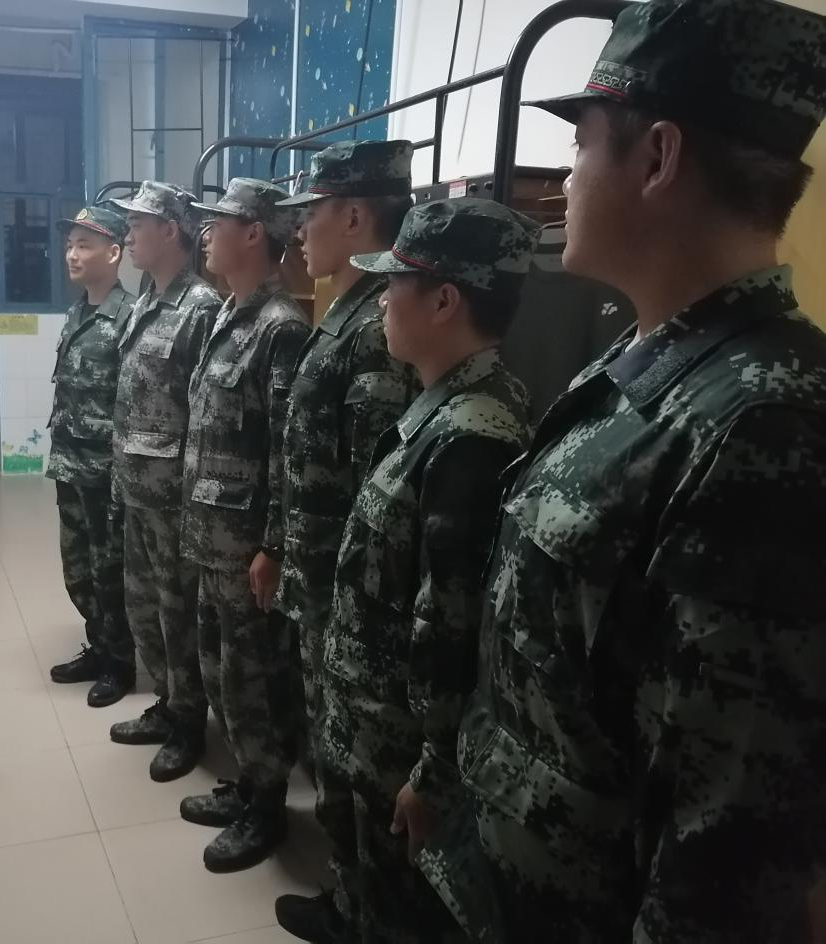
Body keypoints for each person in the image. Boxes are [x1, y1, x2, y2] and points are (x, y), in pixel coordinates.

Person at [421, 2, 826, 942]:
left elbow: (728, 851)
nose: (564, 180)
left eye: (579, 146)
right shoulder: (643, 360)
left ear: (656, 158)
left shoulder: (764, 425)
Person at [302, 198, 540, 943]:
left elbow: (455, 628)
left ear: (443, 302)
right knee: (364, 878)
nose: (379, 301)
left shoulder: (473, 436)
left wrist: (433, 775)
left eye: (394, 285)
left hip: (400, 742)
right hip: (370, 714)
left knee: (398, 906)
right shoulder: (441, 408)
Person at [271, 139, 421, 933]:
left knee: (362, 765)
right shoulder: (352, 313)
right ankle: (349, 897)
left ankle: (369, 912)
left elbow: (377, 494)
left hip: (351, 600)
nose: (299, 232)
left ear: (355, 217)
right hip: (322, 584)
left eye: (313, 214)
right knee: (335, 753)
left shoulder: (375, 329)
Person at [174, 179, 310, 873]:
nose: (204, 234)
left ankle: (268, 806)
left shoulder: (280, 327)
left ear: (254, 232)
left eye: (217, 223)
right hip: (212, 537)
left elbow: (289, 448)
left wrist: (274, 545)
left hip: (247, 547)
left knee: (254, 677)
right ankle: (248, 784)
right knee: (221, 669)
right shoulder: (231, 314)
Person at [107, 182, 223, 782]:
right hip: (137, 490)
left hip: (175, 499)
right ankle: (165, 703)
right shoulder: (144, 302)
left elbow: (205, 414)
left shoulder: (199, 308)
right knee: (143, 606)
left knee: (179, 616)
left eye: (137, 225)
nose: (127, 235)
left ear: (171, 230)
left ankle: (189, 723)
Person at [46, 207, 138, 707]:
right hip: (70, 466)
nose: (72, 254)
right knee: (77, 570)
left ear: (114, 253)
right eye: (70, 245)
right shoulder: (77, 313)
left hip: (106, 473)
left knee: (109, 571)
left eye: (84, 245)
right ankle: (98, 645)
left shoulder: (129, 317)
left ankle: (119, 662)